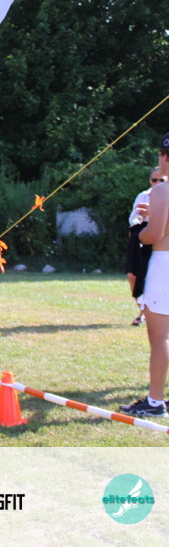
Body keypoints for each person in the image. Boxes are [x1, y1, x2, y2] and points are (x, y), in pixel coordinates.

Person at [123, 133, 169, 418]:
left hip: (164, 265)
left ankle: (155, 401)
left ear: (165, 156)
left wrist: (140, 226)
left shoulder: (162, 190)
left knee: (160, 336)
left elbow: (154, 235)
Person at [127, 167, 166, 326]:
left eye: (161, 180)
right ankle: (143, 309)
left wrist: (153, 214)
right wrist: (141, 220)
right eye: (154, 180)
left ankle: (149, 313)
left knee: (154, 277)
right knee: (132, 276)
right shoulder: (143, 196)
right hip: (143, 236)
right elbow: (133, 218)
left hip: (162, 240)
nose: (157, 183)